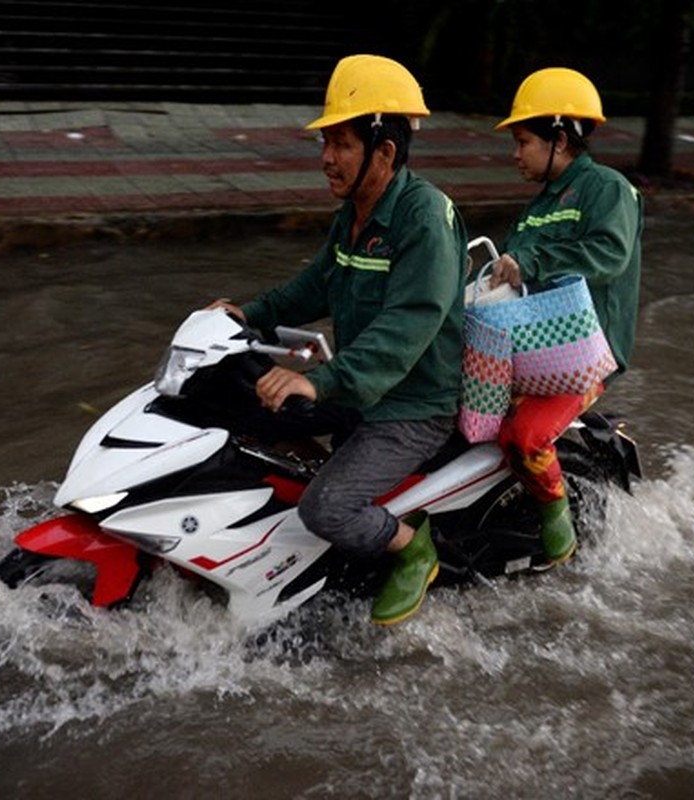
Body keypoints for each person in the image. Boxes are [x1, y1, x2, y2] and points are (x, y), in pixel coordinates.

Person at [208, 54, 467, 626]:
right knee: (243, 412)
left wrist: (318, 380)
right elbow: (314, 285)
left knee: (325, 506)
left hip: (411, 407)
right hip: (359, 392)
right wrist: (245, 312)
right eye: (325, 143)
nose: (326, 158)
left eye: (341, 144)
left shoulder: (425, 217)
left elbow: (407, 329)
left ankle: (410, 549)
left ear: (385, 153)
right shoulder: (354, 212)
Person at [487, 67, 643, 567]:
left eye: (523, 141)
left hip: (586, 351)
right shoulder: (535, 210)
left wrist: (530, 263)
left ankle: (558, 525)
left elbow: (609, 255)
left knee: (525, 436)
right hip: (533, 350)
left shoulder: (607, 190)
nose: (515, 154)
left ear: (559, 138)